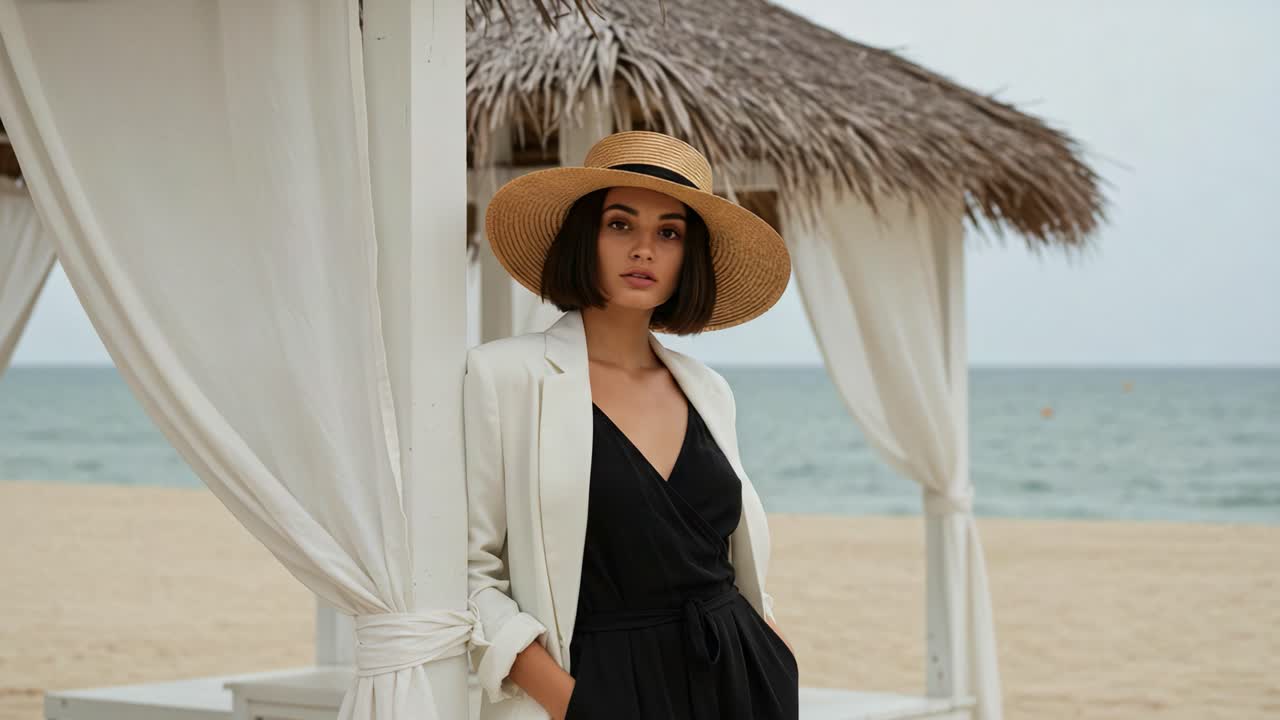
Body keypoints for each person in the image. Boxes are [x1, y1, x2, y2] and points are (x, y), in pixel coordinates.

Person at [465, 130, 796, 720]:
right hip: (595, 686)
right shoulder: (503, 376)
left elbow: (723, 557)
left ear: (686, 259)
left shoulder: (709, 391)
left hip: (739, 682)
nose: (644, 249)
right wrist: (575, 705)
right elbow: (470, 573)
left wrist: (771, 643)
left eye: (669, 233)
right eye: (621, 224)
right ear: (584, 237)